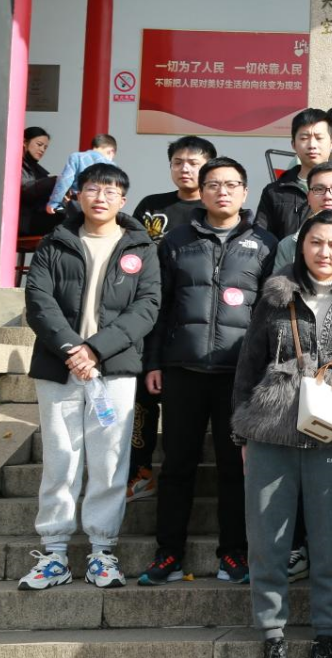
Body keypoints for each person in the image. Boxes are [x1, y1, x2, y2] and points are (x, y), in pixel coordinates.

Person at [232, 210, 332, 658]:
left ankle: (326, 631)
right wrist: (242, 431)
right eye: (316, 242)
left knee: (330, 541)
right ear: (301, 246)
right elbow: (248, 365)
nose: (325, 252)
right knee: (267, 540)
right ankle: (272, 631)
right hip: (270, 434)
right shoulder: (276, 295)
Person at [136, 157, 278, 587]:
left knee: (235, 468)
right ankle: (168, 553)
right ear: (201, 191)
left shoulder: (265, 243)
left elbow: (270, 315)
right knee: (177, 464)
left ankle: (233, 552)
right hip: (182, 368)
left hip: (238, 374)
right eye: (214, 184)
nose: (223, 191)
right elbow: (159, 306)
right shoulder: (176, 240)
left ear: (245, 192)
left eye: (232, 184)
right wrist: (154, 361)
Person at [19, 163, 160, 591]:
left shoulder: (141, 246)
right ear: (77, 195)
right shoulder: (55, 241)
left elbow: (148, 306)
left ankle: (102, 550)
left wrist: (96, 349)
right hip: (59, 366)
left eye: (111, 191)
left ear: (123, 199)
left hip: (113, 368)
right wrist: (72, 349)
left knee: (109, 460)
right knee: (60, 457)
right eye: (93, 189)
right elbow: (38, 300)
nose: (101, 197)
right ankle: (54, 551)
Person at [124, 135, 218, 503]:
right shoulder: (152, 206)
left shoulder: (217, 210)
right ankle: (140, 471)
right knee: (142, 396)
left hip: (196, 319)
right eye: (178, 162)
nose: (185, 169)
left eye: (194, 162)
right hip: (148, 313)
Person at [255, 108, 332, 239]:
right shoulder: (275, 191)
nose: (312, 145)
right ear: (293, 144)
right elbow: (262, 239)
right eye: (304, 138)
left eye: (319, 138)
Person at [46, 134, 117, 214]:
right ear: (111, 151)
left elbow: (65, 180)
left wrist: (54, 202)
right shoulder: (112, 166)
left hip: (77, 203)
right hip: (99, 207)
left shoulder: (77, 157)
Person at [19, 126, 57, 236]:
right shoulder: (13, 164)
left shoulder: (40, 172)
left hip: (35, 219)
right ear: (24, 142)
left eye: (45, 147)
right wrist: (55, 181)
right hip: (22, 222)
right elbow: (26, 189)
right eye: (39, 144)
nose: (42, 150)